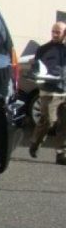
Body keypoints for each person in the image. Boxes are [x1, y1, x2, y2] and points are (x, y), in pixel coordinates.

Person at [29, 21, 66, 164]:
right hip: (49, 91)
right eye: (53, 31)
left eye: (58, 32)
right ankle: (35, 143)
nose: (55, 34)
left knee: (65, 124)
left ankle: (61, 153)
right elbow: (36, 68)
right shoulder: (44, 49)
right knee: (49, 122)